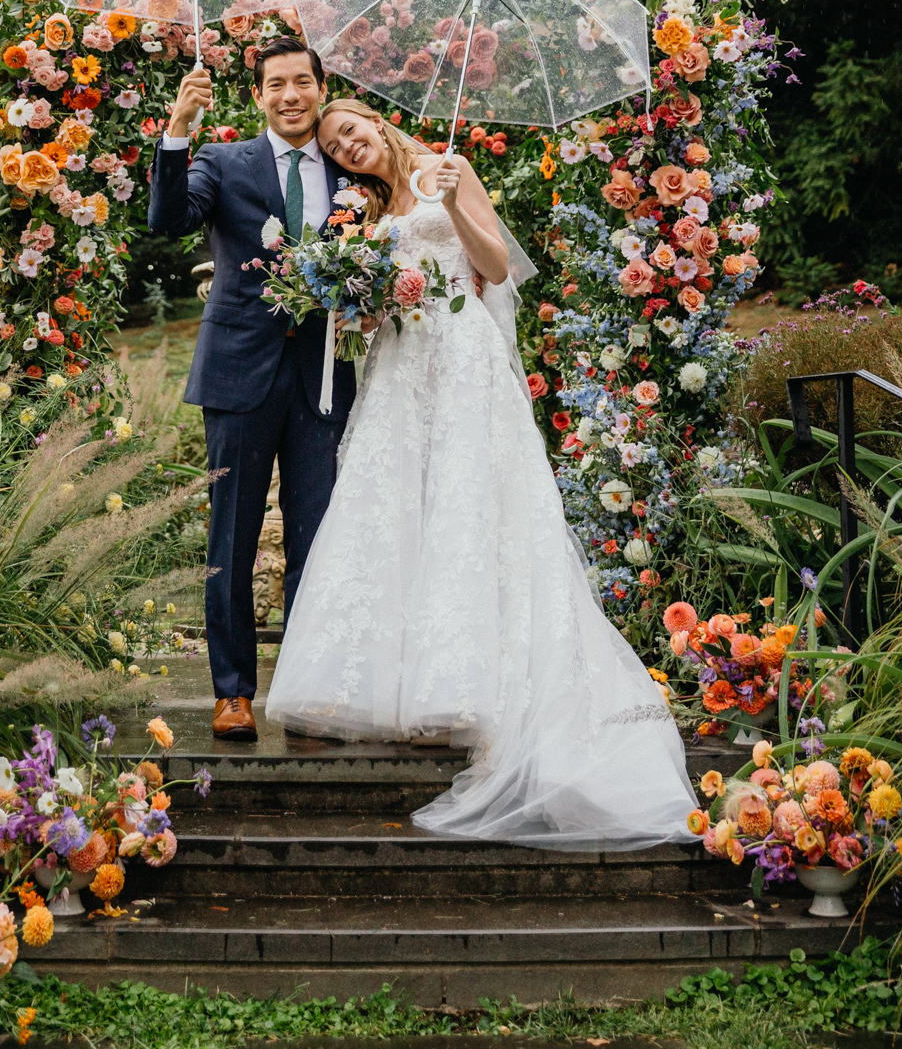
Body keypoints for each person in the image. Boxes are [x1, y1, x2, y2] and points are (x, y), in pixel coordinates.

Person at [265, 97, 696, 851]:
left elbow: (494, 270)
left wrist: (455, 198)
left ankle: (479, 685)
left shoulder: (446, 168)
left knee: (472, 511)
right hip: (401, 369)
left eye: (352, 131)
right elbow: (370, 312)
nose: (347, 147)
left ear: (376, 123)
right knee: (398, 512)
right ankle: (404, 682)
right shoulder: (361, 211)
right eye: (335, 145)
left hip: (464, 359)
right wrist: (360, 302)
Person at [148, 40, 356, 741]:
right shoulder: (221, 161)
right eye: (277, 85)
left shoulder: (351, 166)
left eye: (303, 81)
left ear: (322, 88)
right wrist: (177, 130)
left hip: (324, 376)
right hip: (239, 370)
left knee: (316, 537)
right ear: (259, 96)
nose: (291, 94)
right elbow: (168, 220)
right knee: (231, 537)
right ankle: (232, 691)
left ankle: (304, 685)